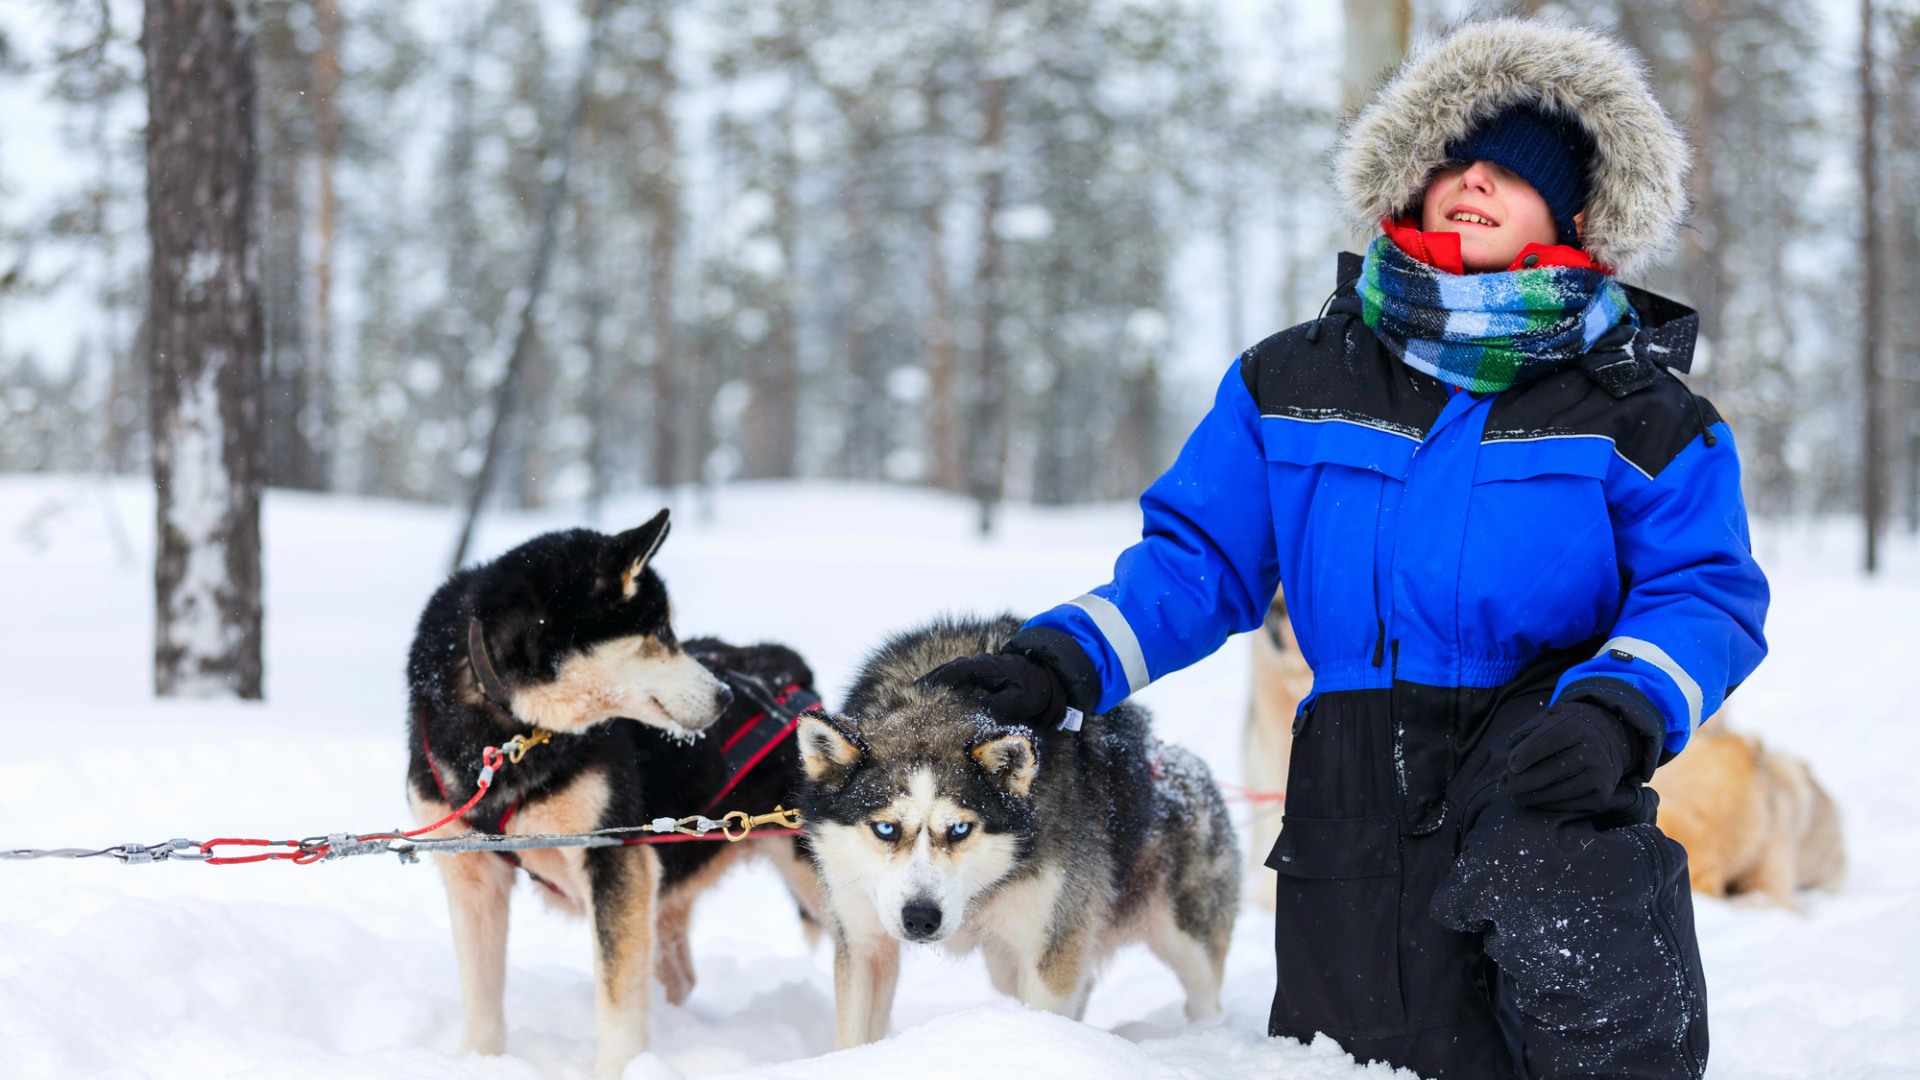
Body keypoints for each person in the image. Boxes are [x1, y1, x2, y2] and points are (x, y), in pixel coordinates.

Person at [922, 18, 1767, 1080]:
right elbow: (1200, 562)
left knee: (1595, 1042)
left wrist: (1621, 710)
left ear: (1580, 211)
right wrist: (1064, 661)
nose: (1472, 182)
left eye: (1513, 171)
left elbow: (1706, 592)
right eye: (1453, 158)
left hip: (1548, 756)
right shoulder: (1295, 379)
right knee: (1355, 1060)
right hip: (1351, 779)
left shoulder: (1642, 412)